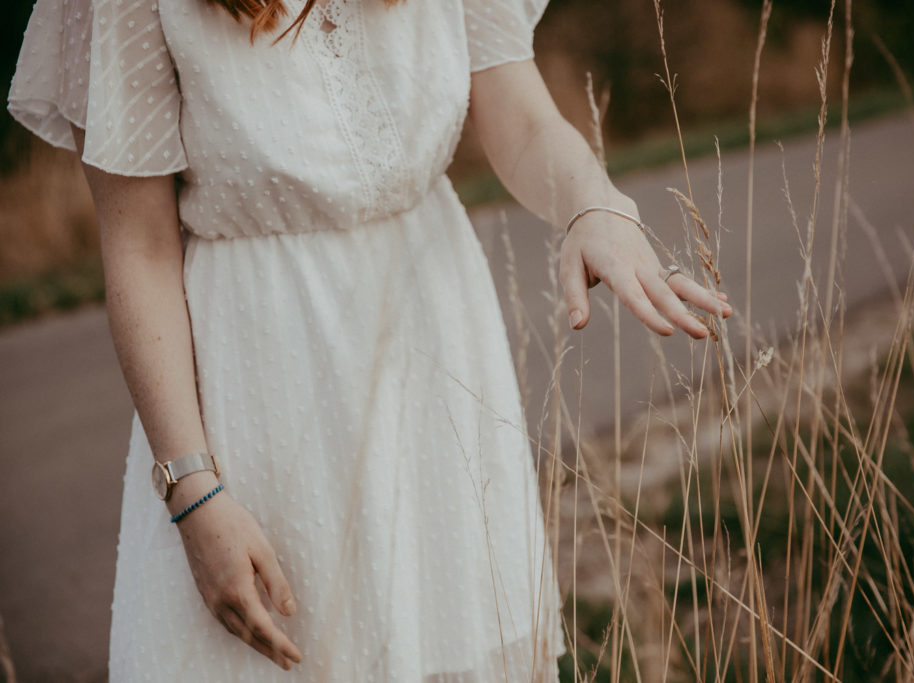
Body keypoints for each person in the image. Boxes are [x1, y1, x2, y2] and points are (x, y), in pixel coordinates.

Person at [9, 0, 731, 679]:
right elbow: (139, 250)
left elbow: (524, 121)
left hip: (438, 352)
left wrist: (593, 204)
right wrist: (194, 493)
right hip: (258, 380)